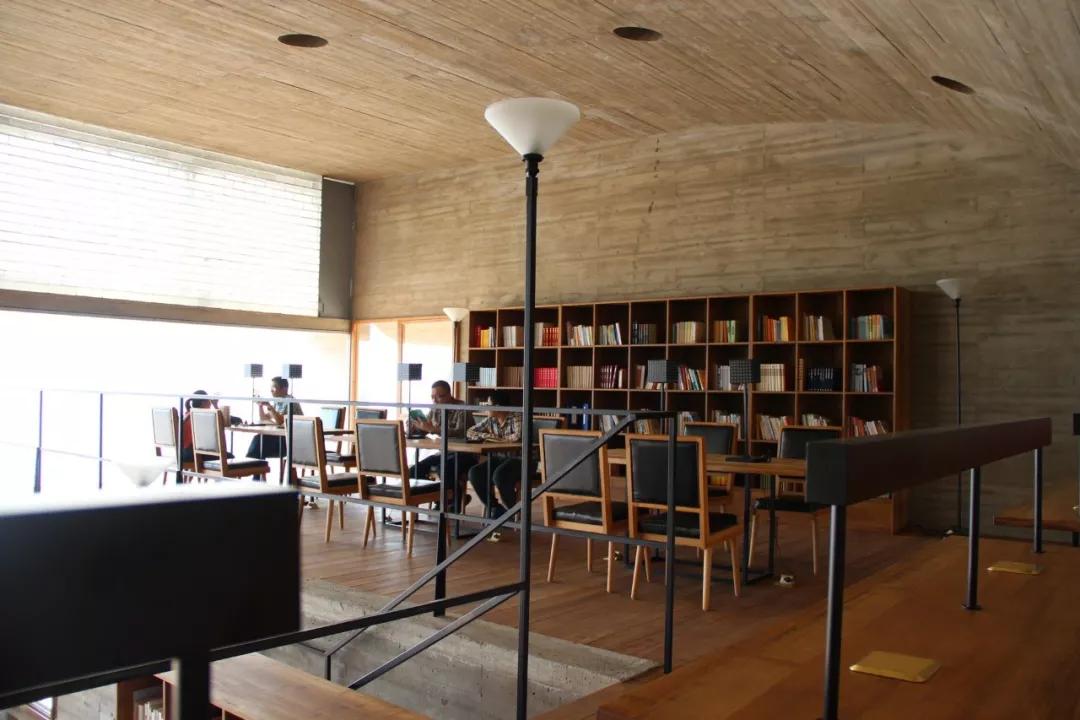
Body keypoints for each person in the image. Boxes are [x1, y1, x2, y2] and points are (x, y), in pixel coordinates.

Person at [407, 380, 475, 485]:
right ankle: (432, 492)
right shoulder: (435, 408)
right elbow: (427, 427)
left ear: (449, 395)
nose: (434, 400)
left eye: (439, 397)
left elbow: (461, 432)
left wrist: (433, 429)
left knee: (444, 469)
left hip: (464, 453)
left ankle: (453, 494)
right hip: (444, 452)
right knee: (414, 471)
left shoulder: (462, 408)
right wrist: (416, 427)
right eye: (432, 397)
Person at [466, 393, 522, 519]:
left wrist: (494, 439)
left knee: (500, 475)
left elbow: (516, 438)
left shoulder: (517, 417)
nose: (486, 407)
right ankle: (496, 508)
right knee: (475, 473)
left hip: (520, 460)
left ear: (498, 406)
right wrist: (487, 436)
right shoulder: (491, 419)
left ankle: (512, 511)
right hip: (500, 458)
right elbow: (470, 432)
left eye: (488, 404)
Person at [246, 376, 302, 459]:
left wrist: (270, 406)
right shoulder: (278, 402)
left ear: (284, 389)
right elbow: (264, 418)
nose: (271, 390)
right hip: (281, 436)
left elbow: (280, 421)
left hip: (290, 441)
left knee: (259, 442)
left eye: (274, 388)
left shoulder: (290, 402)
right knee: (258, 439)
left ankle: (256, 465)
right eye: (271, 388)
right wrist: (260, 406)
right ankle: (256, 464)